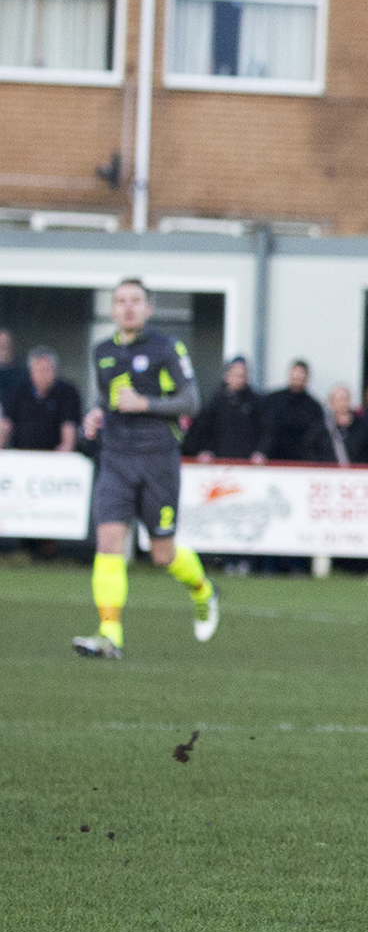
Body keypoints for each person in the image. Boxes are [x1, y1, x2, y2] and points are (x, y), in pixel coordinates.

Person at [72, 278, 218, 659]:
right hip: (116, 459)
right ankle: (110, 636)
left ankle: (203, 590)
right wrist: (95, 414)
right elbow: (106, 398)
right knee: (108, 543)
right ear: (112, 309)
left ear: (149, 309)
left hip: (158, 461)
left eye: (136, 301)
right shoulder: (102, 351)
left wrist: (146, 404)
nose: (128, 307)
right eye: (120, 301)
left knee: (162, 555)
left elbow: (191, 401)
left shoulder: (166, 347)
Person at [0, 346, 81, 451]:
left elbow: (69, 428)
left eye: (47, 370)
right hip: (21, 455)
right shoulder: (19, 391)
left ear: (55, 371)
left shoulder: (68, 392)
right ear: (31, 372)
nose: (43, 374)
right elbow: (6, 423)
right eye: (39, 370)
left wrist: (64, 454)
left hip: (54, 457)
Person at [185, 356, 265, 462]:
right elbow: (203, 430)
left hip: (247, 461)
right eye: (237, 376)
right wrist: (205, 450)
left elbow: (265, 430)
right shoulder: (215, 402)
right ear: (227, 376)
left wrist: (261, 451)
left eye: (243, 376)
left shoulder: (256, 402)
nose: (240, 380)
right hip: (219, 460)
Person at [258, 360, 326, 462]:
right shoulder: (273, 400)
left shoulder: (314, 407)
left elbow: (315, 438)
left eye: (301, 375)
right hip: (271, 459)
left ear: (307, 378)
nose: (297, 378)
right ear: (289, 375)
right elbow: (264, 429)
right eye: (295, 375)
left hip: (301, 462)